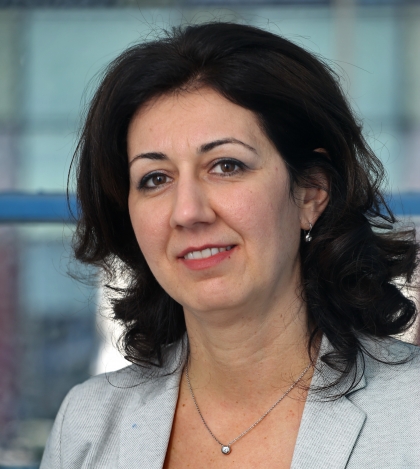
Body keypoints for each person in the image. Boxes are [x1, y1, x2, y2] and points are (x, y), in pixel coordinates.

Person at [41, 22, 420, 469]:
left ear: (311, 193)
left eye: (226, 166)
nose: (187, 211)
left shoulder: (410, 411)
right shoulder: (86, 424)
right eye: (155, 178)